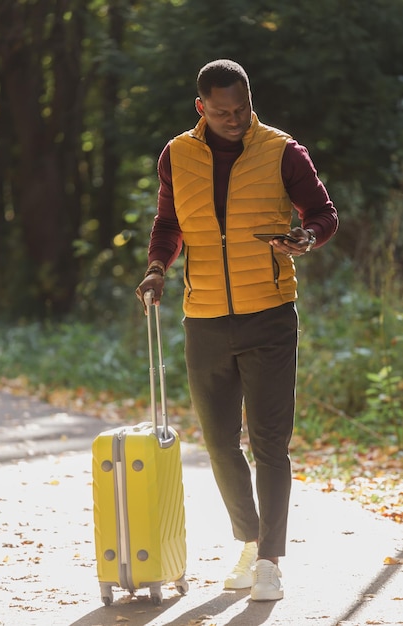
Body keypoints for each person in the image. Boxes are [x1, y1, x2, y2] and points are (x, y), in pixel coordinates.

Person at [136, 59, 338, 602]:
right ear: (200, 107)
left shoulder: (281, 150)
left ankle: (270, 560)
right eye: (222, 111)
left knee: (270, 444)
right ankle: (249, 540)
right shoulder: (177, 155)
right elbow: (168, 222)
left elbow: (323, 213)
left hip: (269, 313)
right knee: (221, 443)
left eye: (242, 109)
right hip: (203, 316)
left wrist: (306, 238)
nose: (234, 120)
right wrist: (157, 267)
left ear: (251, 102)